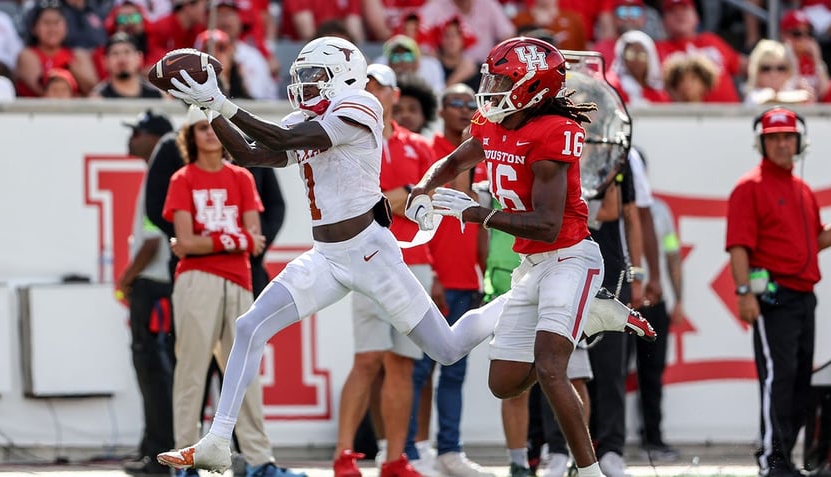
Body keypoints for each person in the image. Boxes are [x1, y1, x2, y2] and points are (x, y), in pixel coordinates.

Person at [155, 35, 652, 474]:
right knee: (249, 326)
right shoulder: (312, 113)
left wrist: (220, 100)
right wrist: (205, 108)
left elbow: (283, 139)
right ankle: (219, 441)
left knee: (449, 348)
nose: (303, 85)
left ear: (344, 75)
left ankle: (563, 308)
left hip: (370, 251)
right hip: (327, 255)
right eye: (300, 75)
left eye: (313, 76)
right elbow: (252, 153)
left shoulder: (360, 105)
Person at [408, 36, 653, 477]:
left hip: (570, 258)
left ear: (532, 88)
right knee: (503, 384)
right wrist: (422, 189)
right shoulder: (492, 121)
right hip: (533, 266)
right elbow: (452, 161)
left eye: (502, 78)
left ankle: (592, 471)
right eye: (492, 75)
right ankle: (588, 314)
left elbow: (548, 224)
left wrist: (476, 213)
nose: (491, 85)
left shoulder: (554, 132)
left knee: (551, 367)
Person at [162, 106, 302, 477]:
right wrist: (234, 238)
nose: (209, 133)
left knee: (244, 376)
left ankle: (259, 460)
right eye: (201, 127)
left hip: (239, 278)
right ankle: (184, 461)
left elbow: (253, 242)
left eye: (214, 127)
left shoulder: (242, 177)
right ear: (190, 136)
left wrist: (215, 241)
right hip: (196, 280)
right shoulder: (182, 179)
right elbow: (187, 243)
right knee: (191, 372)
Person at [331, 63, 432, 477]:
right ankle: (343, 455)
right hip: (368, 260)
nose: (373, 92)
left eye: (380, 87)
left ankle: (393, 457)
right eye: (365, 85)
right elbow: (360, 202)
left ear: (393, 95)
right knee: (368, 359)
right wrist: (398, 197)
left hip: (415, 262)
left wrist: (399, 197)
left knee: (402, 364)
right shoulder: (351, 141)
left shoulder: (420, 146)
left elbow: (431, 202)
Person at [726, 106, 831, 477]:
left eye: (788, 137)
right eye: (774, 138)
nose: (782, 144)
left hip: (805, 297)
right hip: (774, 297)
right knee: (779, 378)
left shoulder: (802, 190)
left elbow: (810, 243)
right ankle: (772, 461)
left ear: (800, 141)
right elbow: (739, 245)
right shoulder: (749, 187)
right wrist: (744, 292)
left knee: (801, 381)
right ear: (761, 143)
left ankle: (784, 459)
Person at [404, 83, 493, 477]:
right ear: (440, 110)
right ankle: (409, 449)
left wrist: (484, 271)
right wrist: (432, 271)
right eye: (455, 103)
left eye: (471, 104)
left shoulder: (484, 159)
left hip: (467, 281)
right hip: (436, 278)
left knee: (454, 370)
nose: (464, 109)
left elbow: (482, 227)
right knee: (420, 369)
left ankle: (449, 450)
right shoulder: (430, 153)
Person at [116, 109, 176, 477]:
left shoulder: (161, 171)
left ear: (155, 137)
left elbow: (152, 242)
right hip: (160, 286)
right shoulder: (159, 169)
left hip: (153, 288)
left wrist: (126, 278)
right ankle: (154, 449)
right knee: (157, 370)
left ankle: (158, 453)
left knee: (154, 371)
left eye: (137, 131)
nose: (132, 137)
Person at [634, 151, 685, 462]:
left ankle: (653, 439)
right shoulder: (599, 202)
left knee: (652, 373)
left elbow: (672, 255)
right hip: (618, 299)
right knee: (603, 375)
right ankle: (599, 442)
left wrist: (678, 299)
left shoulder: (660, 210)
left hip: (654, 302)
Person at [89, 32, 164, 99]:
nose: (122, 59)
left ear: (139, 58)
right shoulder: (98, 98)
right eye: (115, 53)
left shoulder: (157, 96)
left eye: (127, 52)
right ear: (105, 61)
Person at [743, 40, 813, 106]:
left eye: (781, 68)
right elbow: (765, 98)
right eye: (766, 68)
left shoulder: (793, 93)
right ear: (756, 71)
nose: (774, 74)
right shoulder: (752, 96)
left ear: (789, 71)